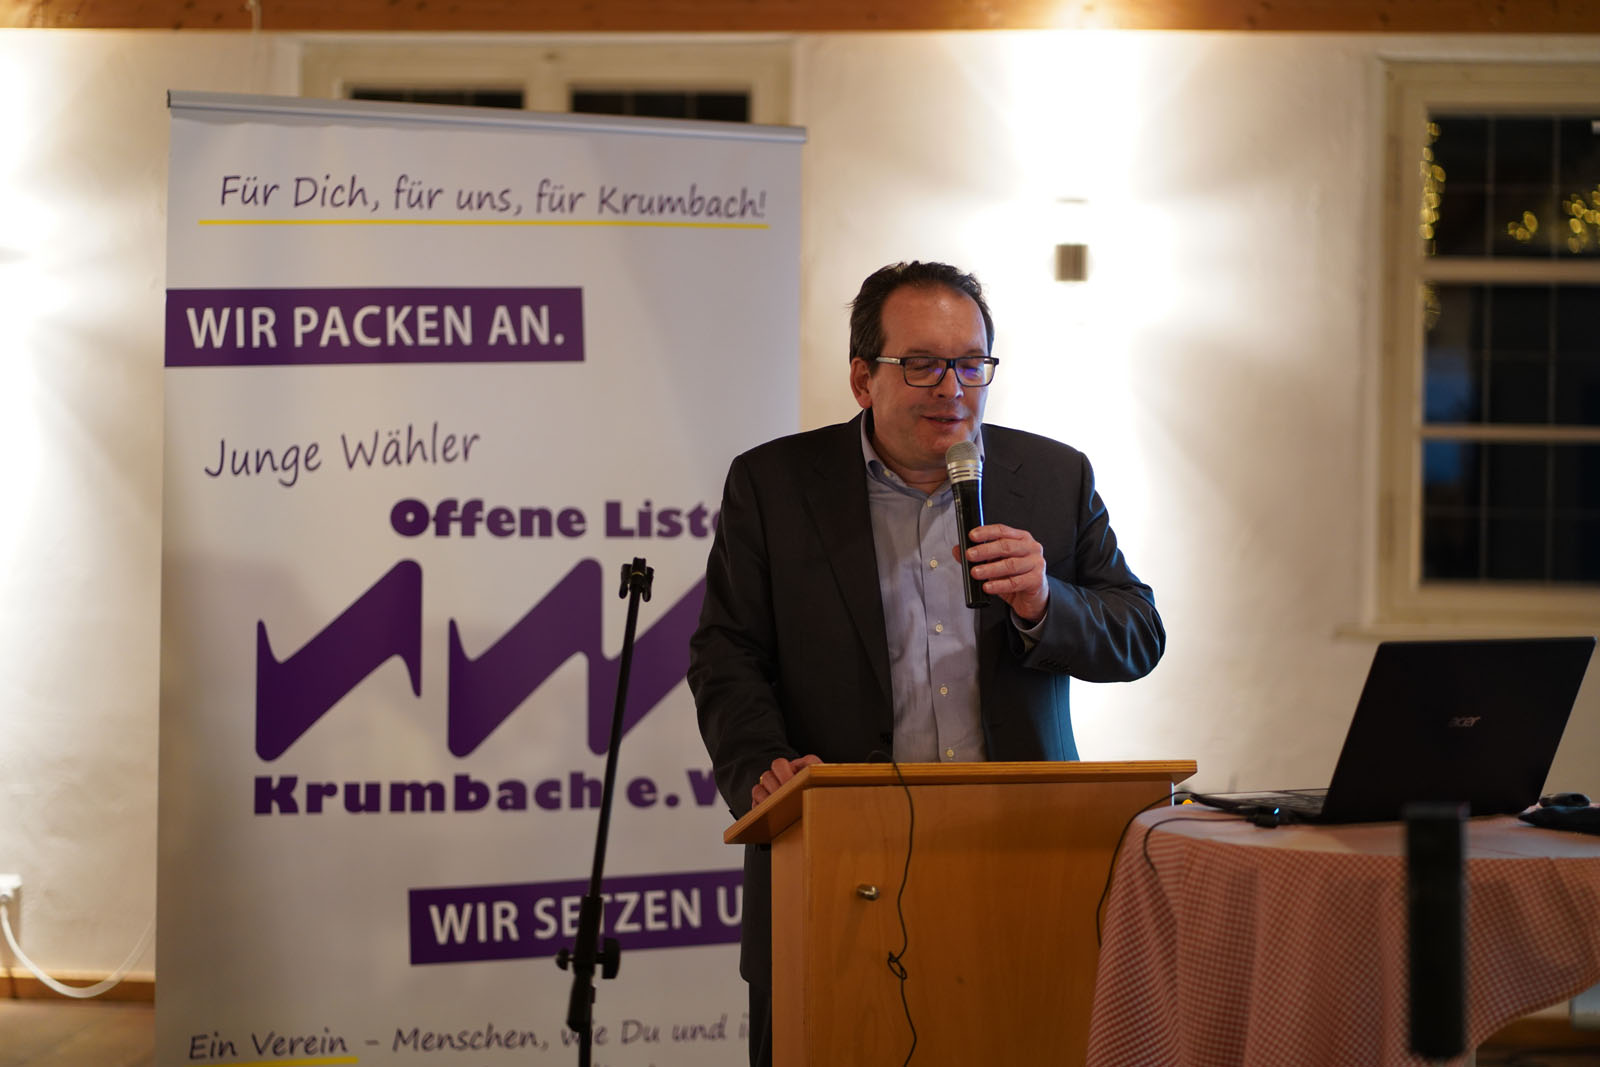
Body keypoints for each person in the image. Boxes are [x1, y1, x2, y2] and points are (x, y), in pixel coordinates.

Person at [687, 260, 1165, 1067]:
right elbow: (726, 650)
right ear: (861, 378)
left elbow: (1139, 633)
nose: (952, 388)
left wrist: (1045, 601)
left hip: (1022, 861)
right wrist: (764, 765)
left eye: (971, 363)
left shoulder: (1054, 476)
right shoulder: (774, 484)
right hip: (838, 860)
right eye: (921, 364)